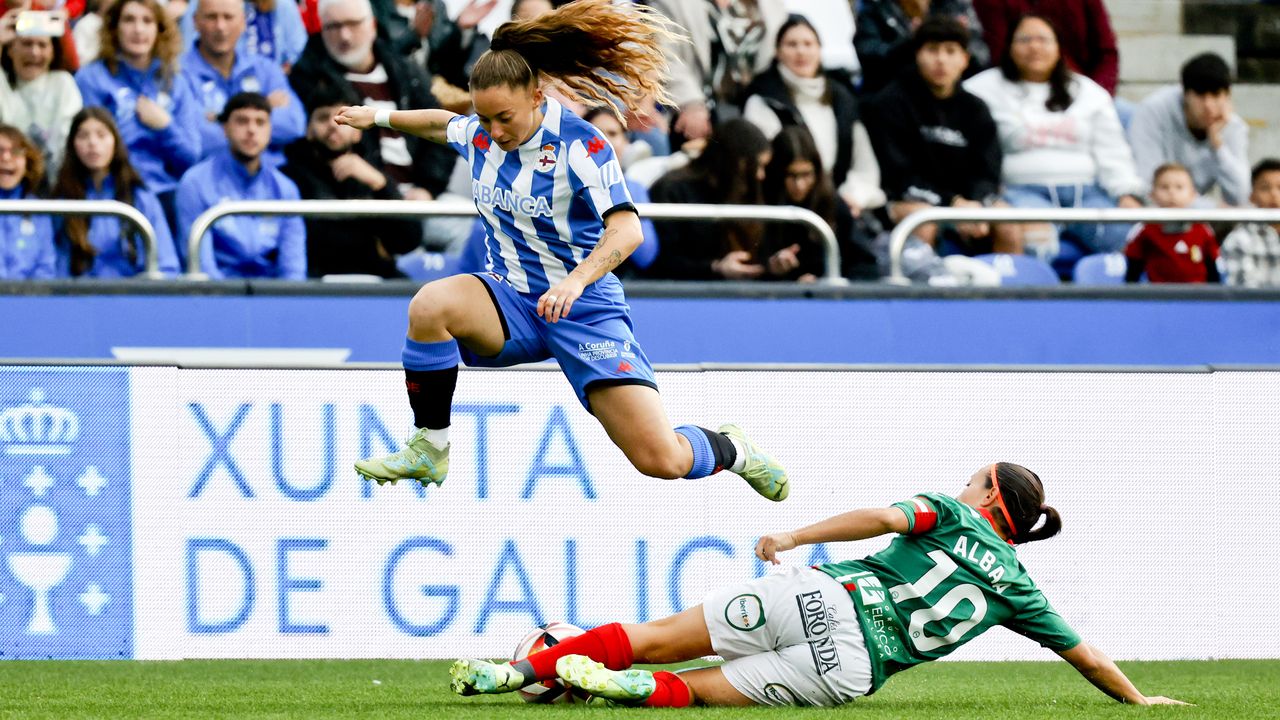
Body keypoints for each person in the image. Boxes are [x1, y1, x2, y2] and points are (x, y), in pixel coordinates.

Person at [334, 0, 789, 500]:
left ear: (536, 95)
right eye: (484, 119)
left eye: (504, 117)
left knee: (662, 459)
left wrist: (574, 282)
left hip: (584, 309)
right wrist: (376, 117)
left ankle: (734, 449)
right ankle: (430, 447)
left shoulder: (582, 146)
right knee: (430, 306)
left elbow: (627, 232)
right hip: (512, 301)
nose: (495, 132)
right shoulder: (483, 134)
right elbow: (441, 123)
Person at [448, 462, 1189, 708]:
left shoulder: (954, 513)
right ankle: (641, 694)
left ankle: (512, 672)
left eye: (972, 479)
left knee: (649, 638)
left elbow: (877, 517)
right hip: (851, 668)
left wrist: (796, 535)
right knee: (701, 691)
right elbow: (1085, 654)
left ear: (990, 497)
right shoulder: (1021, 589)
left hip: (823, 595)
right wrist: (1138, 698)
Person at [963, 14, 1142, 259]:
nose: (1034, 47)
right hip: (1022, 193)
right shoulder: (980, 89)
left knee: (1130, 242)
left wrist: (1126, 193)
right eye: (1024, 39)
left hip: (1087, 194)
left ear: (1059, 47)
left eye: (1043, 39)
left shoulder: (1088, 92)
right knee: (1037, 246)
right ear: (1009, 47)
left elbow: (1112, 151)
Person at [862, 16, 1018, 254]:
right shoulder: (890, 103)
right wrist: (953, 203)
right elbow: (898, 175)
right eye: (932, 50)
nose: (941, 60)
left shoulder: (976, 108)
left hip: (966, 204)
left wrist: (975, 204)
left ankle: (1010, 290)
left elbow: (988, 172)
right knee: (923, 223)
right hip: (906, 201)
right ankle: (924, 287)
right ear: (917, 55)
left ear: (965, 59)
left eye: (950, 51)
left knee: (1009, 225)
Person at [75, 0, 202, 235]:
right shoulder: (91, 78)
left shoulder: (175, 81)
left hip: (166, 193)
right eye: (129, 20)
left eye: (147, 21)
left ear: (159, 29)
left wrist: (165, 127)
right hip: (112, 193)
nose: (138, 29)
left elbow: (191, 155)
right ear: (114, 27)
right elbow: (88, 146)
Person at [742, 15, 885, 215]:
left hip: (840, 209)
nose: (801, 51)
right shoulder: (762, 100)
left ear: (819, 50)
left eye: (808, 44)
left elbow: (865, 167)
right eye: (792, 44)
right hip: (785, 210)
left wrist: (852, 196)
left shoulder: (843, 99)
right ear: (777, 52)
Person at [281, 82, 422, 278]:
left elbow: (409, 240)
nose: (332, 125)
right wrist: (372, 244)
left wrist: (381, 184)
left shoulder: (373, 175)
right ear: (308, 130)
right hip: (316, 280)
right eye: (323, 118)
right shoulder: (289, 177)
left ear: (358, 132)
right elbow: (314, 240)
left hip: (377, 278)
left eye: (343, 118)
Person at [177, 91, 305, 279]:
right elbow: (200, 267)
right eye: (242, 121)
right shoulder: (195, 183)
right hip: (217, 296)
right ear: (225, 128)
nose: (251, 130)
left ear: (270, 131)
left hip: (272, 295)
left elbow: (293, 268)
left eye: (260, 122)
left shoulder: (286, 189)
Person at [52, 106, 180, 277]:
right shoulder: (61, 202)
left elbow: (166, 267)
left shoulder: (141, 197)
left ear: (115, 142)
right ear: (72, 145)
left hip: (133, 298)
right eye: (83, 136)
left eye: (101, 135)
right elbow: (54, 269)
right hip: (76, 299)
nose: (92, 143)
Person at [646, 118, 778, 280]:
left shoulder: (748, 192)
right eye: (757, 166)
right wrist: (714, 267)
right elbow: (660, 260)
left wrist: (773, 264)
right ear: (738, 162)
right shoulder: (672, 190)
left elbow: (759, 251)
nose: (760, 175)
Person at [181, 0, 304, 167]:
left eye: (228, 17)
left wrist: (219, 118)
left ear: (243, 22)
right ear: (195, 22)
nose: (220, 26)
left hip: (270, 175)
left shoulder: (265, 68)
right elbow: (193, 138)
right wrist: (263, 109)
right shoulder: (177, 73)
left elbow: (295, 124)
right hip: (206, 176)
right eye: (211, 17)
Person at [647, 0, 788, 143]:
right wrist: (691, 104)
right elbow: (664, 54)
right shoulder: (672, 3)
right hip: (700, 112)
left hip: (758, 109)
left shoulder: (771, 5)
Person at [1128, 53, 1250, 207]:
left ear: (1227, 96)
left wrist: (1218, 145)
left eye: (1216, 95)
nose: (1208, 106)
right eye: (1200, 95)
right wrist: (1211, 209)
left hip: (1199, 217)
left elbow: (1240, 196)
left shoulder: (1233, 127)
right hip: (1154, 213)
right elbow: (1149, 185)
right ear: (1184, 93)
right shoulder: (1152, 111)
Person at [762, 126, 878, 281]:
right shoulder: (762, 205)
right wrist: (775, 270)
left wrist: (826, 283)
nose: (800, 185)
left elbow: (863, 266)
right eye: (791, 175)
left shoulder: (833, 206)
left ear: (817, 172)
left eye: (806, 174)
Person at [973, 0, 1119, 95]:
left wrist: (1096, 95)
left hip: (1083, 87)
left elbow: (1107, 52)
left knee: (1126, 116)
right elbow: (1001, 53)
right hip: (1020, 89)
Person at [0, 11, 83, 177]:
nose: (35, 52)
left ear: (52, 52)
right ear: (10, 49)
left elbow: (65, 142)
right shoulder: (3, 84)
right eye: (26, 44)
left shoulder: (62, 83)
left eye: (42, 45)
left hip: (54, 180)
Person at [582, 106, 659, 277]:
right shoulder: (560, 185)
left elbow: (645, 256)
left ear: (626, 143)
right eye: (596, 133)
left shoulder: (634, 187)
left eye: (613, 133)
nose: (604, 141)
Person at [855, 0, 990, 97]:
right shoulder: (878, 7)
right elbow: (868, 55)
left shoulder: (955, 6)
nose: (941, 58)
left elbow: (981, 57)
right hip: (893, 93)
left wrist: (960, 39)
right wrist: (909, 42)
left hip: (949, 96)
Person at [1123, 163, 1219, 284]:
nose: (1172, 192)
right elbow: (1133, 270)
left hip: (1197, 298)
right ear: (1152, 194)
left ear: (1193, 194)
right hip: (1159, 297)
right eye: (1164, 187)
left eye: (1179, 187)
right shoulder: (1145, 230)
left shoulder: (1202, 229)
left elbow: (1212, 270)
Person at [0, 124, 56, 279]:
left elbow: (46, 268)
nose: (5, 158)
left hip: (30, 301)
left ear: (27, 161)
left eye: (15, 152)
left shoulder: (38, 210)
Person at [1221, 159, 1280, 287]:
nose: (1274, 194)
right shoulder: (1239, 239)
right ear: (1252, 196)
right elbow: (1243, 296)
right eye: (1265, 188)